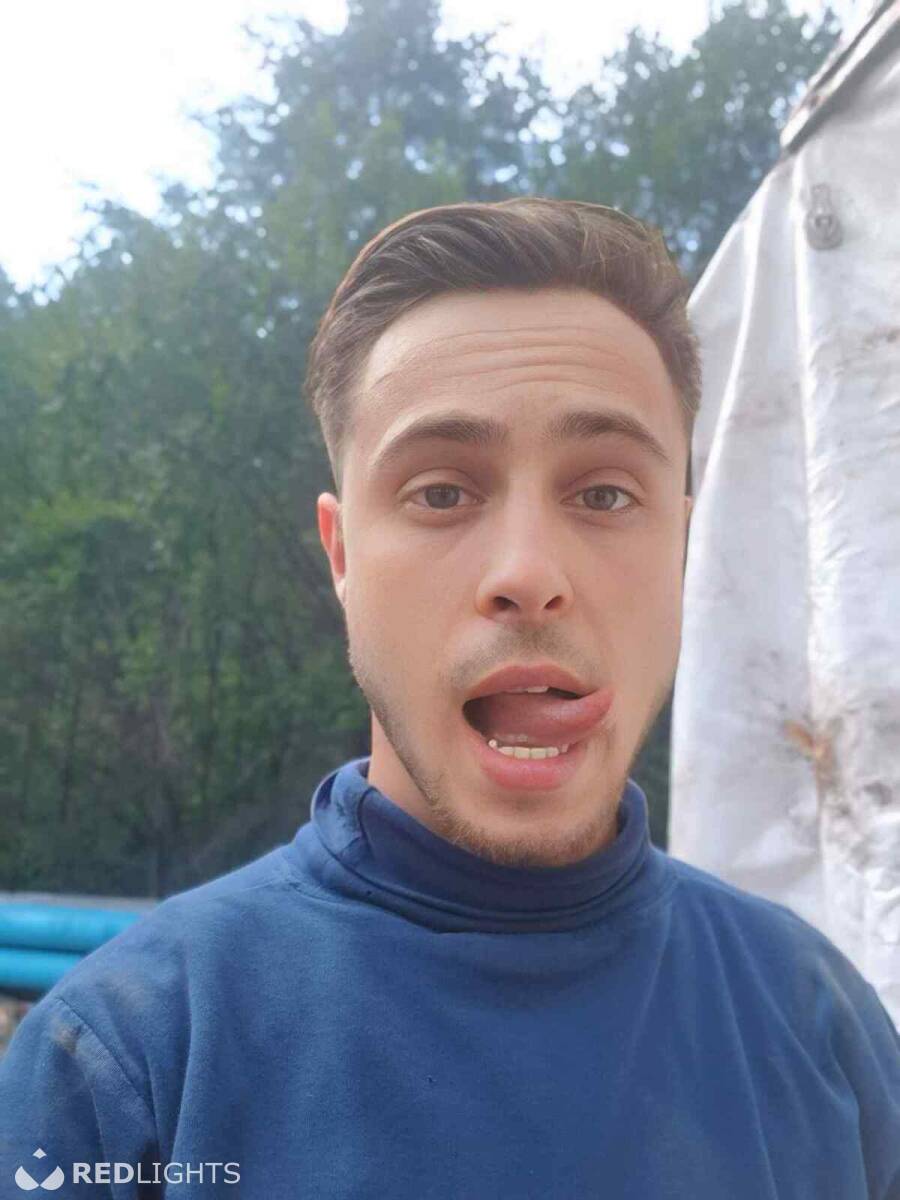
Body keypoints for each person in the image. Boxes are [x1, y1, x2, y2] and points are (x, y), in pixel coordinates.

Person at [1, 199, 898, 1199]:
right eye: (441, 492)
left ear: (681, 548)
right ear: (343, 557)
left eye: (605, 494)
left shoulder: (824, 1030)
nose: (528, 573)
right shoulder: (123, 1068)